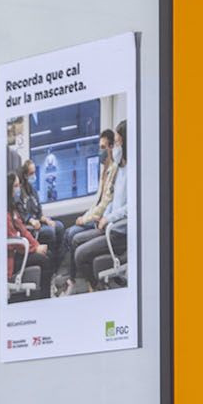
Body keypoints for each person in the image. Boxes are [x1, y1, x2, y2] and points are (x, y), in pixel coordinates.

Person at [50, 125, 120, 293]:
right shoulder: (104, 171)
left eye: (103, 147)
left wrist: (86, 219)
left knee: (73, 234)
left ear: (112, 147)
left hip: (102, 219)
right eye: (99, 147)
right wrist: (85, 215)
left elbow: (104, 205)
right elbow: (97, 201)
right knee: (67, 232)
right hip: (96, 215)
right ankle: (68, 277)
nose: (100, 151)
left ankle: (72, 279)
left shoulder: (115, 170)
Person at [70, 120, 129, 292]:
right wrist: (102, 218)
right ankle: (91, 284)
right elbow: (111, 201)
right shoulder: (119, 169)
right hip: (109, 225)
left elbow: (129, 208)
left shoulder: (131, 171)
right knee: (75, 239)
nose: (115, 147)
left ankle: (95, 287)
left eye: (117, 142)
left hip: (118, 232)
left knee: (80, 254)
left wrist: (107, 218)